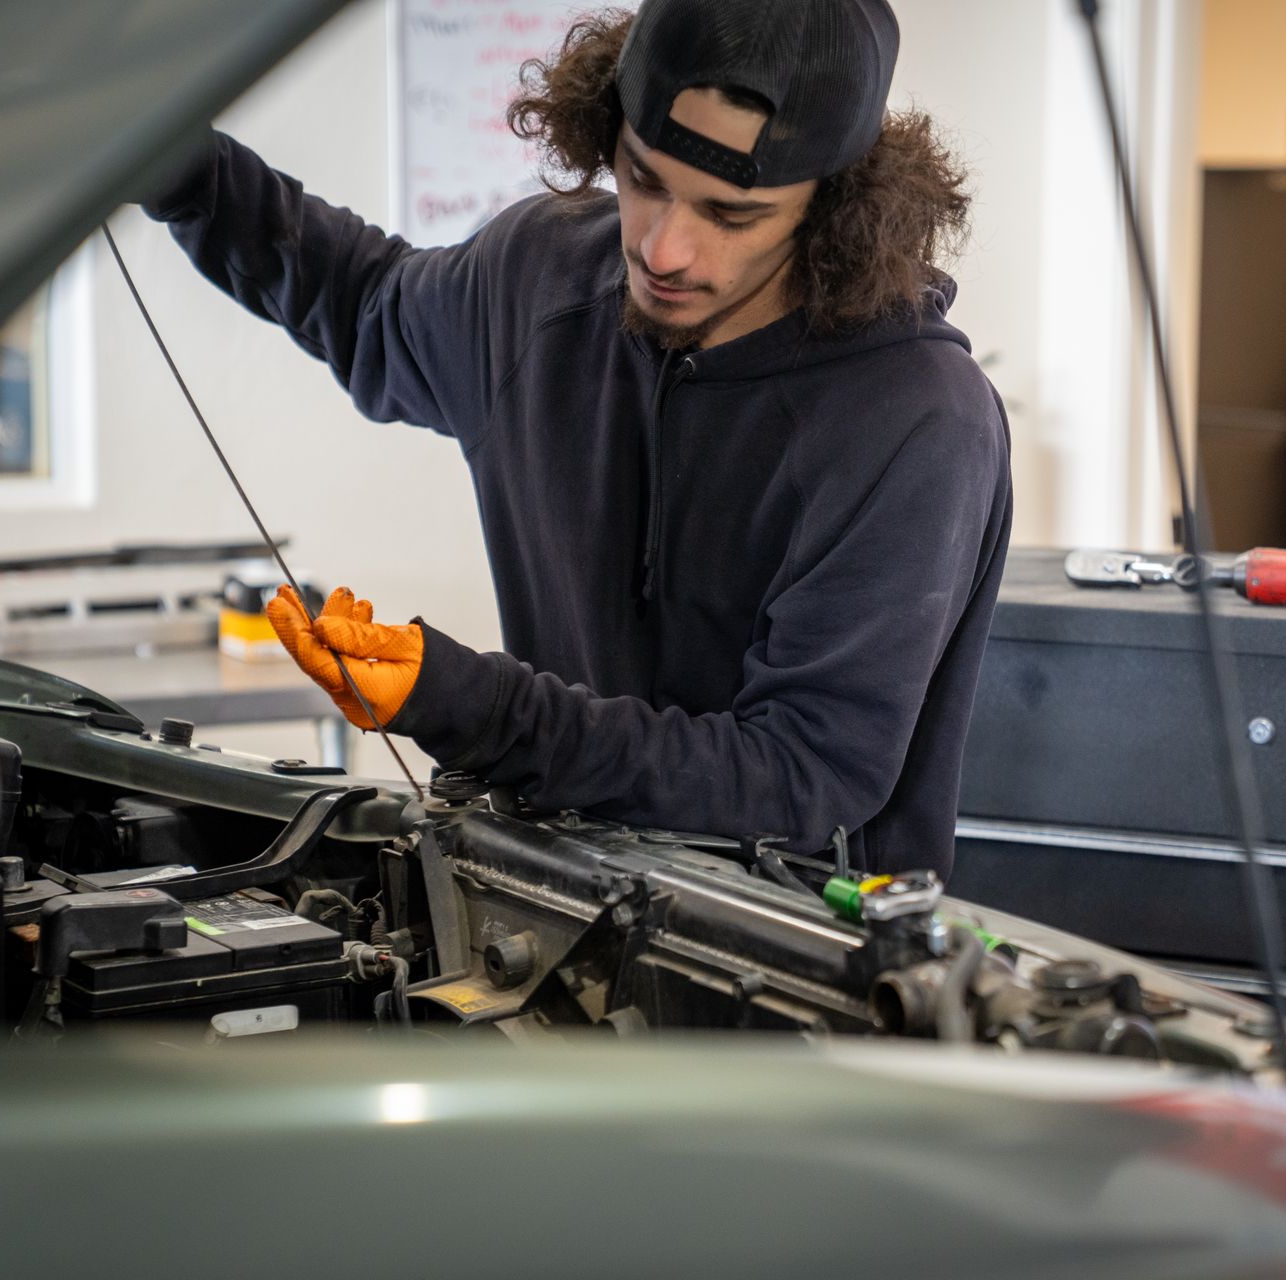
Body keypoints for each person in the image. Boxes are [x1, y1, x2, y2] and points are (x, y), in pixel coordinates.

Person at [142, 0, 1010, 878]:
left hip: (797, 977)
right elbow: (364, 303)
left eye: (731, 214)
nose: (664, 249)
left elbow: (798, 777)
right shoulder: (542, 282)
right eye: (644, 177)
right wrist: (175, 168)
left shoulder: (917, 421)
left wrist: (475, 708)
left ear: (832, 207)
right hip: (551, 922)